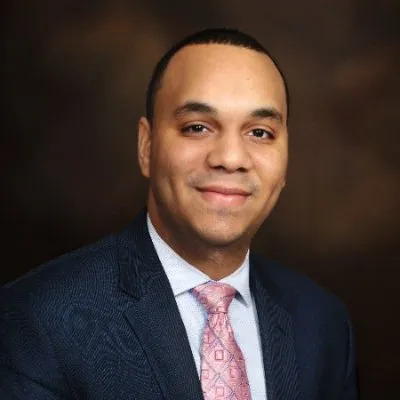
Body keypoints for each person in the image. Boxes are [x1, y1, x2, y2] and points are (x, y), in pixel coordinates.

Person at [0, 28, 358, 400]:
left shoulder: (324, 324)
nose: (230, 158)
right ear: (147, 146)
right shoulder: (39, 318)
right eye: (197, 127)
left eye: (260, 132)